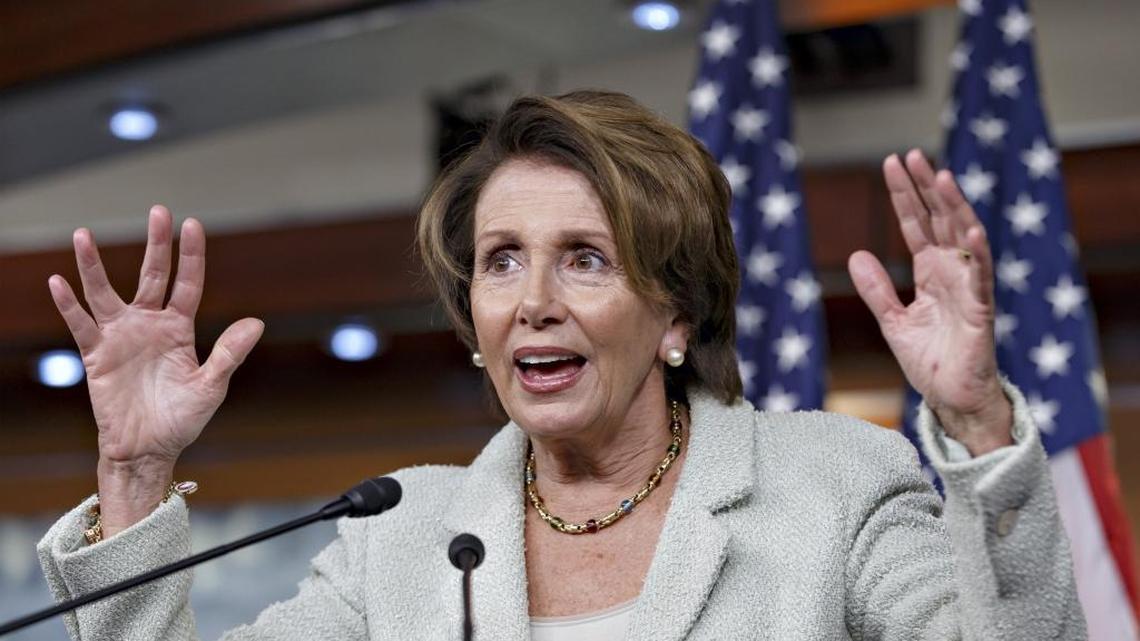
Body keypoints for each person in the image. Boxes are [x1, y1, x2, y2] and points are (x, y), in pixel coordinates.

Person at [37, 90, 1084, 640]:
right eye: (501, 262)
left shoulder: (836, 488)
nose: (533, 298)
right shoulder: (393, 536)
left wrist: (980, 424)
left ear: (675, 309)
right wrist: (132, 473)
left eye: (583, 258)